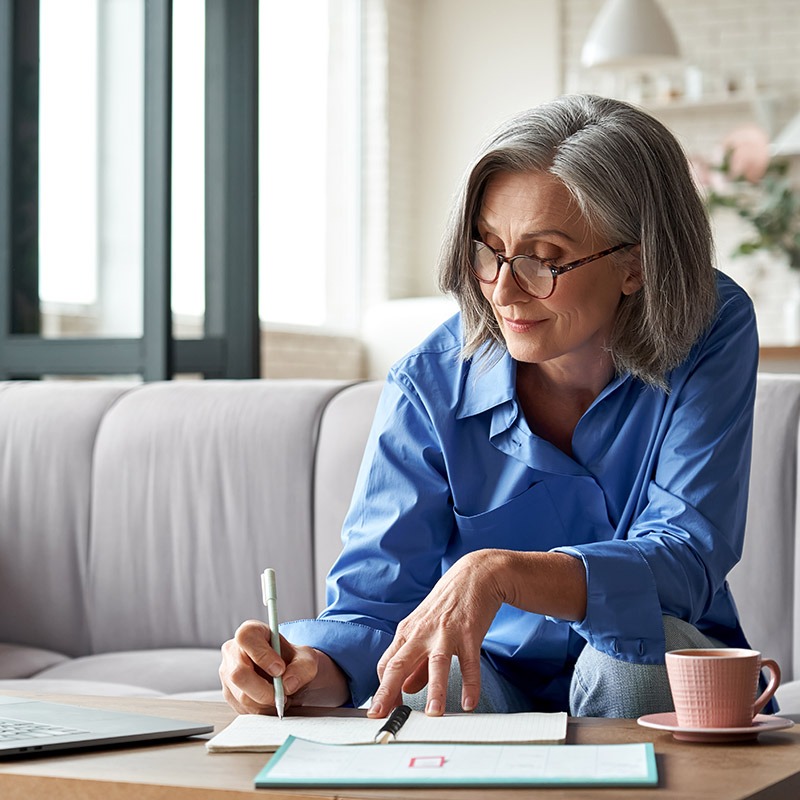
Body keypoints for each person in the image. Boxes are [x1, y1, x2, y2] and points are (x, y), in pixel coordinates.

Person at [220, 93, 760, 719]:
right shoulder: (429, 382)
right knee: (430, 674)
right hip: (492, 675)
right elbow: (373, 606)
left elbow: (686, 555)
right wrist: (305, 670)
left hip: (652, 664)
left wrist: (503, 572)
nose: (503, 291)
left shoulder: (710, 326)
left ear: (635, 266)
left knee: (630, 653)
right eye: (487, 251)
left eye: (543, 260)